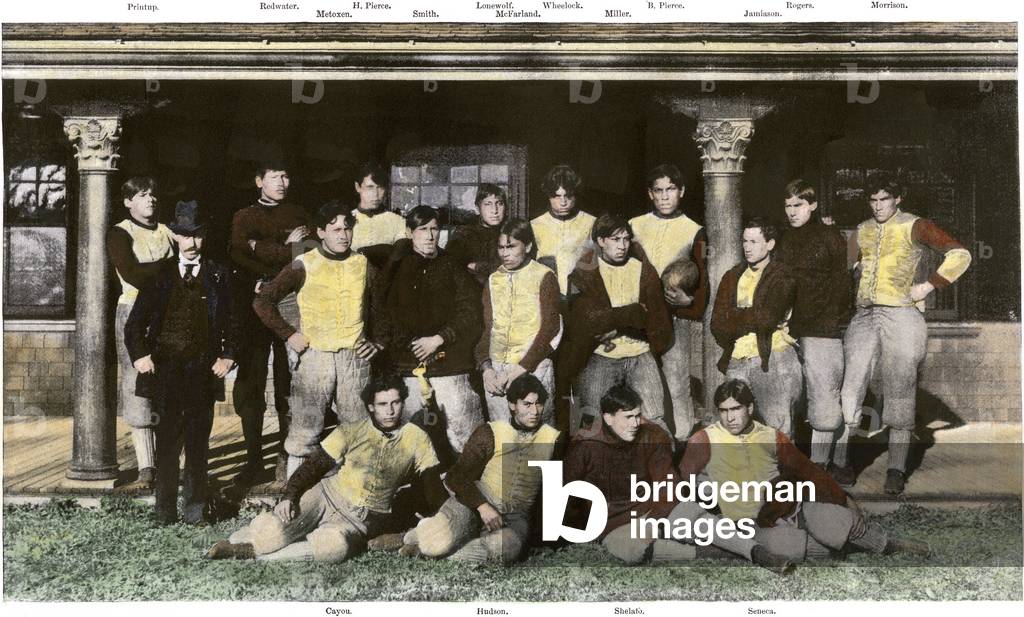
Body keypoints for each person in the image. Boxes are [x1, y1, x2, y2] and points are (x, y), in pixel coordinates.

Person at [680, 379, 932, 562]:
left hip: (790, 507)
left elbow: (808, 470)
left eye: (735, 409)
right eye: (723, 411)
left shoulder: (770, 436)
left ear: (750, 409)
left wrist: (843, 499)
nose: (730, 418)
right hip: (751, 523)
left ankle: (889, 545)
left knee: (837, 522)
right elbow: (683, 482)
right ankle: (842, 550)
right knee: (795, 548)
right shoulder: (704, 440)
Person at [204, 376, 446, 562]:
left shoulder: (417, 438)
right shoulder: (352, 430)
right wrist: (289, 496)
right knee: (274, 531)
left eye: (395, 403)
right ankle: (244, 539)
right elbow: (314, 467)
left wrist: (444, 518)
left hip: (361, 519)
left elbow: (431, 484)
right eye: (382, 404)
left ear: (402, 402)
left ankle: (248, 552)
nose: (390, 410)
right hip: (325, 497)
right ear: (371, 407)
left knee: (333, 548)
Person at [562, 385, 791, 572]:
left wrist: (653, 521)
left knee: (692, 512)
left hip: (654, 511)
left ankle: (758, 552)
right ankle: (712, 554)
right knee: (629, 549)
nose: (635, 423)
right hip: (617, 523)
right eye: (628, 417)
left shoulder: (651, 435)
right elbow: (564, 495)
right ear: (608, 418)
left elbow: (669, 486)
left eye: (638, 415)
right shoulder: (586, 445)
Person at [840, 177, 972, 494]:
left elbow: (961, 255)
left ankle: (896, 469)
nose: (878, 206)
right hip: (865, 314)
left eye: (884, 199)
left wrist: (927, 286)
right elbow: (848, 270)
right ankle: (841, 463)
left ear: (897, 199)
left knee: (900, 386)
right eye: (872, 200)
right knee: (850, 385)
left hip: (901, 313)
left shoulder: (915, 225)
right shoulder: (861, 229)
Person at [125, 200, 236, 525]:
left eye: (198, 236)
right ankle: (163, 512)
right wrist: (141, 355)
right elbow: (135, 325)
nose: (192, 243)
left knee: (199, 441)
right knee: (169, 442)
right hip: (166, 371)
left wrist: (228, 355)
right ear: (174, 235)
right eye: (185, 236)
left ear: (205, 236)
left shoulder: (219, 275)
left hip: (202, 370)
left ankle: (195, 509)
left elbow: (233, 321)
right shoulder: (159, 275)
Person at [253, 201, 383, 478]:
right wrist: (289, 334)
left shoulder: (362, 264)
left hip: (354, 357)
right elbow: (263, 301)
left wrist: (377, 341)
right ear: (321, 232)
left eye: (347, 229)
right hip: (315, 357)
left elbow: (381, 309)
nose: (342, 235)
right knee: (304, 429)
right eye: (335, 229)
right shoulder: (304, 263)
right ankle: (292, 497)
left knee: (358, 429)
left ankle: (352, 497)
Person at [399, 374, 562, 562]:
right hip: (476, 502)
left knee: (506, 548)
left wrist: (540, 539)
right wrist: (483, 506)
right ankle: (413, 538)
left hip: (516, 515)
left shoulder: (553, 439)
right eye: (527, 404)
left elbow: (551, 495)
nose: (535, 411)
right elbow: (455, 476)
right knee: (438, 541)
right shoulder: (491, 432)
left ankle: (431, 552)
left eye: (539, 404)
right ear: (512, 405)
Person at [372, 206, 484, 455]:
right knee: (408, 435)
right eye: (422, 229)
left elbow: (470, 312)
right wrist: (409, 344)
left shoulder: (452, 266)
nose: (430, 235)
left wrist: (439, 338)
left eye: (434, 229)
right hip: (406, 365)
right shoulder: (396, 267)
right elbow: (384, 311)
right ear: (410, 232)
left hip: (448, 364)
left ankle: (470, 485)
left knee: (463, 431)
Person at [229, 162, 311, 484]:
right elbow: (237, 255)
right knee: (251, 381)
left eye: (286, 175)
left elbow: (306, 254)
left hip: (290, 304)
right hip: (254, 305)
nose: (282, 181)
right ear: (259, 180)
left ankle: (285, 457)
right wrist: (285, 245)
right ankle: (252, 461)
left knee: (288, 381)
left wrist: (260, 247)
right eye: (275, 176)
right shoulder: (244, 216)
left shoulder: (299, 213)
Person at [559, 214, 672, 434]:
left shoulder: (642, 270)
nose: (622, 246)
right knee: (590, 422)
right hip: (601, 354)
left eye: (626, 239)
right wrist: (633, 312)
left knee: (655, 418)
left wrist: (617, 325)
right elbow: (586, 320)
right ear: (601, 241)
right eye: (615, 239)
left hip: (640, 352)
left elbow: (655, 318)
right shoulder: (585, 273)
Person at [774, 180, 853, 482]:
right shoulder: (783, 240)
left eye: (798, 205)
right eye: (788, 206)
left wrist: (832, 322)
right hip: (790, 328)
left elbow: (842, 284)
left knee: (824, 397)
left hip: (822, 328)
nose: (792, 212)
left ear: (813, 205)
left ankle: (821, 466)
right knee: (790, 394)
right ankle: (791, 463)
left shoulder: (831, 237)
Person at [629, 164, 709, 440]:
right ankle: (646, 446)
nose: (664, 196)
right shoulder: (634, 226)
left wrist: (690, 300)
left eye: (670, 189)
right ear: (650, 193)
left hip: (675, 318)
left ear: (682, 191)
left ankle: (683, 443)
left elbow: (703, 274)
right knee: (642, 385)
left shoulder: (694, 230)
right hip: (640, 316)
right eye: (659, 190)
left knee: (676, 384)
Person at [107, 176, 175, 491]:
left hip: (169, 315)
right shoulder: (121, 233)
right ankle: (146, 468)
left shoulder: (167, 232)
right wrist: (164, 270)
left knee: (170, 385)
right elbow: (130, 272)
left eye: (152, 193)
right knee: (138, 385)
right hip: (133, 313)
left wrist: (158, 270)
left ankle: (171, 463)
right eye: (142, 194)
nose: (150, 199)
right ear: (128, 201)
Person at [710, 218, 801, 438]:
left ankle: (781, 472)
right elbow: (717, 324)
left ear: (770, 244)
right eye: (744, 241)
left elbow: (768, 318)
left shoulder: (783, 274)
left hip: (771, 358)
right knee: (733, 424)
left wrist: (736, 316)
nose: (747, 247)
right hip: (737, 358)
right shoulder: (732, 276)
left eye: (753, 241)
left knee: (777, 426)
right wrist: (751, 315)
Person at [475, 218, 561, 425]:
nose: (505, 253)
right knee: (504, 439)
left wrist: (519, 369)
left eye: (511, 246)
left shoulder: (544, 276)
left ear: (528, 246)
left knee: (540, 440)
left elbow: (551, 329)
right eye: (501, 247)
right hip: (498, 373)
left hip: (534, 367)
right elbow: (488, 329)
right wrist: (486, 369)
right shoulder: (493, 280)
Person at [530, 164, 596, 305]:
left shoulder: (591, 222)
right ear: (549, 196)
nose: (563, 202)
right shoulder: (535, 225)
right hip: (546, 297)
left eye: (568, 195)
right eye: (557, 196)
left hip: (582, 298)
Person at [445, 183, 507, 287]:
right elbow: (451, 268)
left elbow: (514, 266)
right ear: (478, 208)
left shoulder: (511, 232)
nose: (495, 211)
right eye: (488, 204)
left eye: (499, 203)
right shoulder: (464, 234)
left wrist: (478, 267)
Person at [349, 162, 406, 268]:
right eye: (370, 187)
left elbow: (398, 256)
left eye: (380, 188)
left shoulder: (398, 221)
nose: (375, 194)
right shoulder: (345, 219)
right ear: (358, 187)